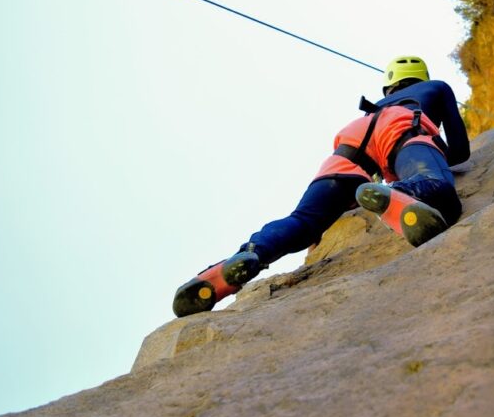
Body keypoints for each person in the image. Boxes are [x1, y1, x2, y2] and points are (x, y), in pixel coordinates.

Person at [172, 55, 470, 317]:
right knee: (438, 189)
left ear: (389, 85)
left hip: (351, 144)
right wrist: (427, 156)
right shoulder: (437, 88)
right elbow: (460, 150)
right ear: (422, 77)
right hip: (401, 127)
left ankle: (247, 255)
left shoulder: (373, 106)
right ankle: (402, 193)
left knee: (302, 221)